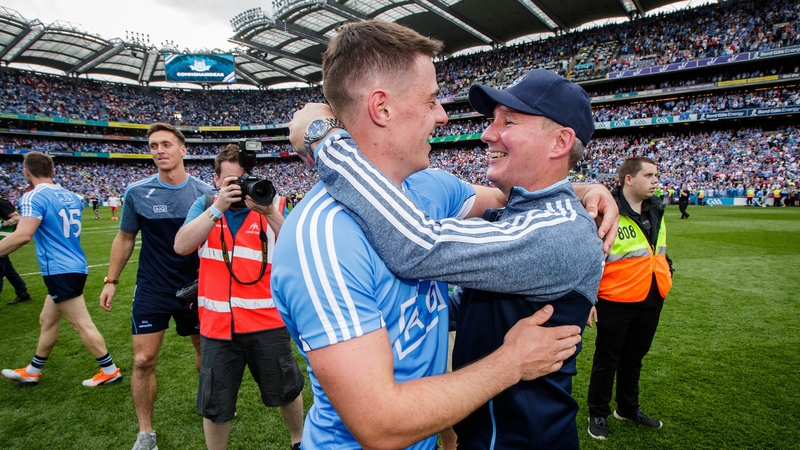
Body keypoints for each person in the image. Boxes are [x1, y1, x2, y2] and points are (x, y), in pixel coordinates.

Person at [274, 21, 613, 450]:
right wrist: (583, 190)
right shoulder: (321, 235)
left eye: (507, 120)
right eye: (433, 99)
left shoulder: (441, 193)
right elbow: (381, 422)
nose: (449, 117)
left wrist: (326, 139)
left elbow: (420, 245)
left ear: (560, 141)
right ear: (381, 108)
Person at [173, 144, 304, 450]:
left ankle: (298, 441)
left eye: (244, 179)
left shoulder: (273, 204)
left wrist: (270, 211)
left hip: (266, 323)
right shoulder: (204, 206)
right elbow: (181, 245)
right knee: (216, 403)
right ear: (216, 179)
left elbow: (297, 250)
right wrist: (216, 208)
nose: (239, 188)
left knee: (286, 390)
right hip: (218, 327)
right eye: (231, 181)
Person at [99, 123, 214, 450]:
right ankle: (145, 433)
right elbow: (125, 238)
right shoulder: (137, 192)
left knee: (204, 353)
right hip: (153, 288)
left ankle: (207, 403)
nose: (159, 150)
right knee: (142, 360)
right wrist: (111, 280)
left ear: (183, 150)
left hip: (196, 287)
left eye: (166, 144)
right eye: (153, 145)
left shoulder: (206, 194)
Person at [1, 152, 121, 387]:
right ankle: (32, 370)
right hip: (74, 264)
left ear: (26, 172)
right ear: (53, 171)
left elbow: (23, 235)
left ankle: (109, 369)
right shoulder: (72, 196)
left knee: (81, 323)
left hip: (59, 268)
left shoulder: (32, 196)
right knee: (47, 319)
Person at [586, 156, 672, 440]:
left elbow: (655, 249)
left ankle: (627, 408)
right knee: (607, 359)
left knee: (634, 358)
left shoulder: (656, 208)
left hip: (651, 294)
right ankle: (597, 412)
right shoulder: (604, 210)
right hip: (615, 298)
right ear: (629, 179)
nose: (655, 181)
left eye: (656, 175)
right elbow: (588, 257)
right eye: (649, 176)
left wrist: (667, 270)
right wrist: (589, 298)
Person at [0, 192, 31, 305]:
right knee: (8, 269)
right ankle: (22, 293)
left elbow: (17, 218)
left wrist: (2, 225)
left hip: (3, 241)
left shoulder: (1, 203)